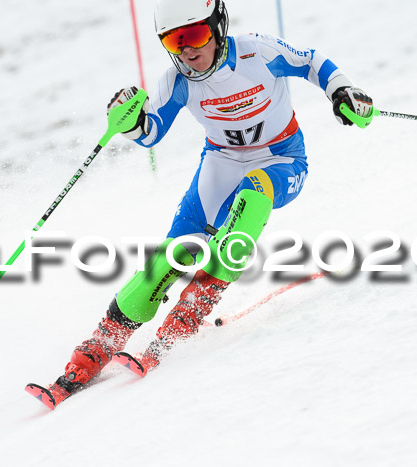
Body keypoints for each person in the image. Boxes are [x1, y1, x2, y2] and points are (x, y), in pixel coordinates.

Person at [38, 0, 373, 404]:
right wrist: (127, 122)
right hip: (221, 163)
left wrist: (343, 91)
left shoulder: (255, 51)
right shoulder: (178, 80)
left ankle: (195, 304)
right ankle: (101, 341)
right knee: (169, 256)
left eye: (194, 35)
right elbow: (150, 133)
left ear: (216, 26)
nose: (186, 50)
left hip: (282, 159)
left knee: (254, 192)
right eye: (173, 41)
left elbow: (311, 61)